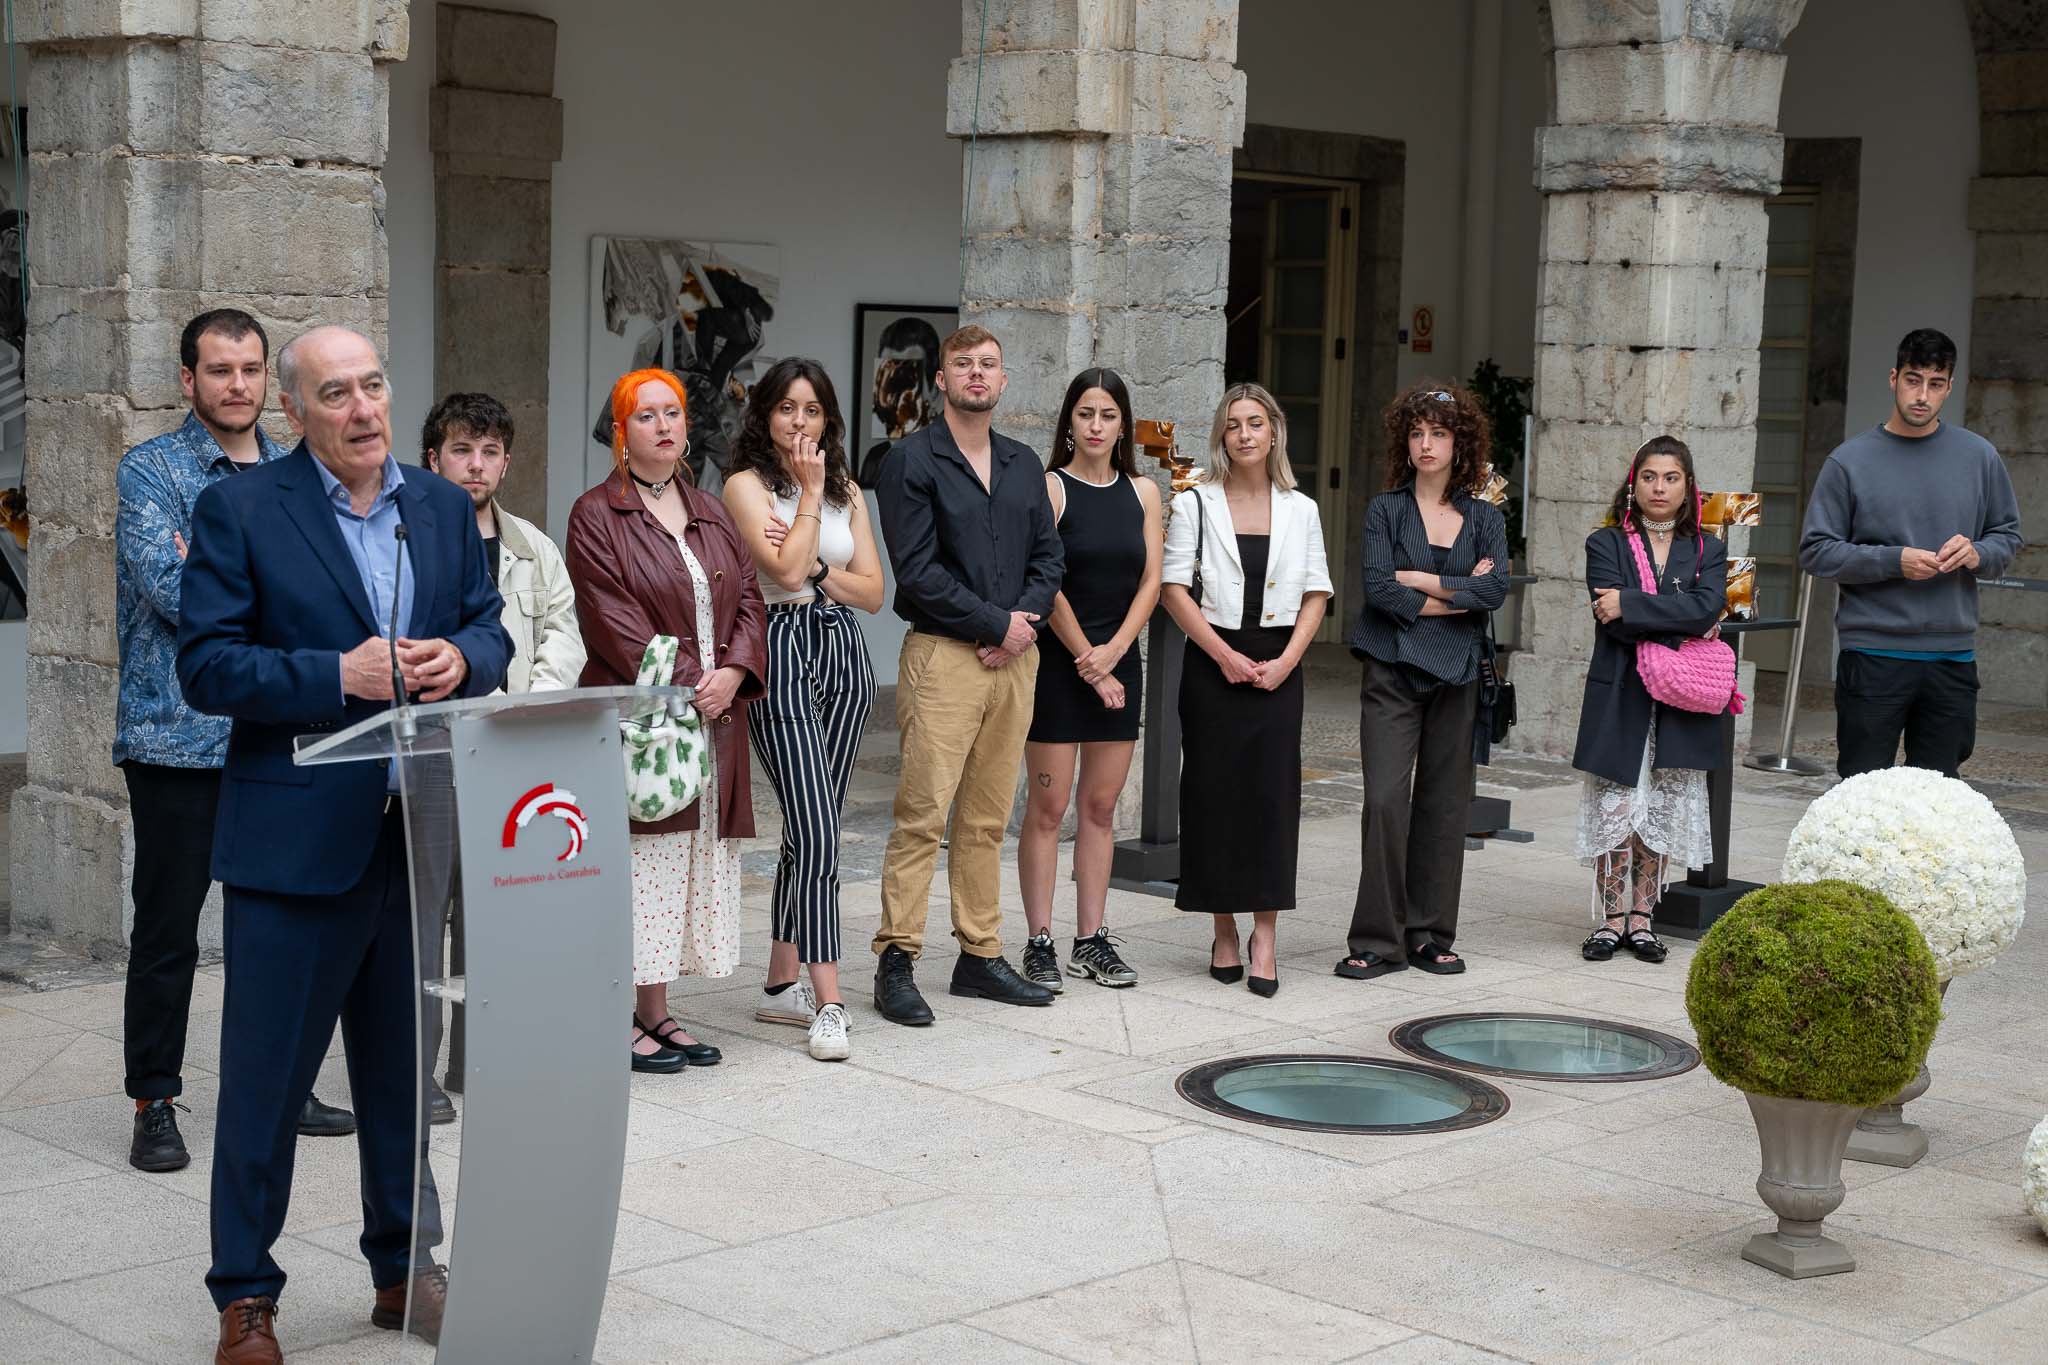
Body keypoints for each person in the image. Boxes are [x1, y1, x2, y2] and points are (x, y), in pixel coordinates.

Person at [177, 325, 512, 1363]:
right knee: (267, 1081)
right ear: (296, 413)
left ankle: (405, 1267)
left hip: (418, 831)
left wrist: (461, 659)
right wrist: (337, 677)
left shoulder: (443, 508)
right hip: (294, 841)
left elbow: (492, 630)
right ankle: (245, 1294)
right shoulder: (239, 509)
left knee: (403, 1076)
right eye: (337, 394)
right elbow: (209, 668)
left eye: (373, 387)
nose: (364, 410)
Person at [113, 309, 356, 1177]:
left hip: (282, 735)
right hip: (177, 737)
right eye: (219, 370)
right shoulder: (152, 471)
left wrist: (271, 598)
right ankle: (155, 1099)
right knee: (170, 927)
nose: (237, 385)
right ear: (189, 380)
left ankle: (285, 1086)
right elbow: (180, 592)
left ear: (272, 383)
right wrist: (284, 598)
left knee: (284, 923)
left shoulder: (307, 476)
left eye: (251, 369)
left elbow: (329, 593)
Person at [567, 368, 767, 1073]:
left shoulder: (710, 509)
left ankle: (656, 1011)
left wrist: (736, 673)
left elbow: (748, 600)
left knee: (683, 865)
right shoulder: (596, 514)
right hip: (648, 724)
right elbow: (612, 621)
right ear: (621, 432)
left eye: (672, 412)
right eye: (645, 415)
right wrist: (693, 685)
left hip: (713, 721)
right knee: (639, 865)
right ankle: (615, 1013)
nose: (662, 425)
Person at [871, 324, 1064, 1024]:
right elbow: (916, 572)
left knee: (985, 817)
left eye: (988, 365)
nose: (977, 375)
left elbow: (1050, 559)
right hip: (945, 657)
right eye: (964, 365)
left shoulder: (1021, 462)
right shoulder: (910, 460)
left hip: (1016, 657)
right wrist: (995, 624)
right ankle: (896, 959)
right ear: (943, 380)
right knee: (922, 814)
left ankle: (979, 955)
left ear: (1004, 380)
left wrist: (1021, 626)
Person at [723, 358, 885, 1061]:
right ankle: (829, 1000)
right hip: (781, 645)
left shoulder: (851, 490)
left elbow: (876, 593)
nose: (800, 420)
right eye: (787, 407)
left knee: (814, 822)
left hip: (846, 653)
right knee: (819, 829)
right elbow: (784, 574)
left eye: (813, 409)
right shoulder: (745, 485)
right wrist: (813, 503)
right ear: (765, 414)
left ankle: (779, 982)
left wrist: (823, 567)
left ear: (829, 419)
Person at [1161, 382, 1332, 998]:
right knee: (1212, 799)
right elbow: (1174, 589)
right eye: (1233, 424)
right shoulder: (1194, 504)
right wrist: (1224, 655)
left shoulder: (1301, 508)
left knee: (1270, 801)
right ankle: (1224, 931)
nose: (1245, 434)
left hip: (1279, 665)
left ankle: (1265, 936)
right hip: (1214, 664)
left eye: (1255, 422)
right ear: (1222, 435)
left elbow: (1317, 590)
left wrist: (1287, 660)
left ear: (1274, 431)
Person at [1337, 384, 1507, 982]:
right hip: (1391, 669)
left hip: (1457, 673)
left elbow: (1494, 592)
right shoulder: (1385, 509)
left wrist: (1423, 579)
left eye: (1439, 433)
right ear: (1404, 441)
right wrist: (1454, 590)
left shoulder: (1485, 517)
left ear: (1461, 443)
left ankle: (1431, 935)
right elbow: (1380, 590)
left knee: (1443, 806)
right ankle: (1378, 940)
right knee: (1384, 800)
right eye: (1417, 433)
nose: (1426, 444)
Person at [1799, 327, 2022, 779]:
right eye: (1913, 380)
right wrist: (1892, 561)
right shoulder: (1849, 461)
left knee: (1940, 797)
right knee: (1862, 792)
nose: (1922, 395)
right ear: (1893, 378)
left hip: (1952, 657)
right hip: (1873, 653)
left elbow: (2008, 538)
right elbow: (1816, 551)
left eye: (1935, 384)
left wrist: (1978, 553)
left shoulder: (1979, 457)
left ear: (1949, 387)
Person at [1018, 367, 1161, 991]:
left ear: (1122, 424)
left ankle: (1090, 940)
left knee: (1100, 808)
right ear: (1069, 423)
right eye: (1085, 414)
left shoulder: (1145, 493)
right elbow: (1045, 578)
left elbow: (1152, 581)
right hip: (1059, 664)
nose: (1096, 426)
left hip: (1120, 662)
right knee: (1049, 808)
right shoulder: (1052, 488)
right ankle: (1040, 940)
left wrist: (1116, 652)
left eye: (1107, 415)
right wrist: (1087, 659)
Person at [1571, 437, 1727, 963]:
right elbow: (1608, 617)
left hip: (1680, 698)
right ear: (1633, 484)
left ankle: (1642, 920)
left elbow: (1707, 612)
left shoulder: (1707, 548)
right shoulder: (1606, 543)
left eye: (1671, 478)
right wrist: (1675, 614)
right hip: (1620, 692)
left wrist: (1635, 605)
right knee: (1617, 805)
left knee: (1659, 807)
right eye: (1650, 477)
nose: (1659, 488)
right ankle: (1610, 919)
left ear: (1688, 487)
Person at [422, 391, 585, 692]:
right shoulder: (411, 544)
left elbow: (564, 638)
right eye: (462, 450)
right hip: (450, 728)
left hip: (531, 728)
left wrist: (535, 708)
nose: (477, 464)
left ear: (505, 464)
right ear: (434, 460)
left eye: (490, 452)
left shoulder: (536, 546)